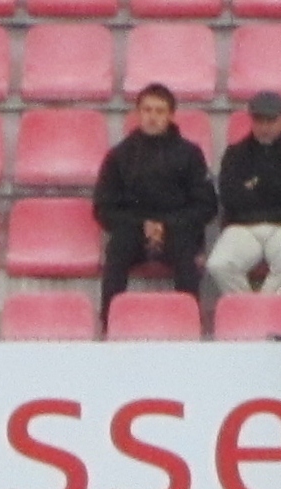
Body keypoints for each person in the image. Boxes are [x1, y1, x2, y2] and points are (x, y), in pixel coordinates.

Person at [93, 83, 217, 329]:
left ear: (171, 115)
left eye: (160, 111)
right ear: (138, 113)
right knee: (116, 251)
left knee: (186, 254)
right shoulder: (119, 155)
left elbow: (206, 205)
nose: (152, 117)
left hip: (178, 229)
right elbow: (103, 208)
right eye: (147, 110)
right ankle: (110, 324)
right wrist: (142, 225)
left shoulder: (190, 154)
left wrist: (166, 225)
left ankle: (189, 324)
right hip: (132, 230)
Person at [206, 94, 281, 302]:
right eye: (259, 120)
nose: (264, 127)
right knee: (219, 264)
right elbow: (230, 198)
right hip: (243, 226)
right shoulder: (235, 153)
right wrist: (278, 189)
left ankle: (258, 310)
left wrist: (254, 188)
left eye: (271, 120)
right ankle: (254, 310)